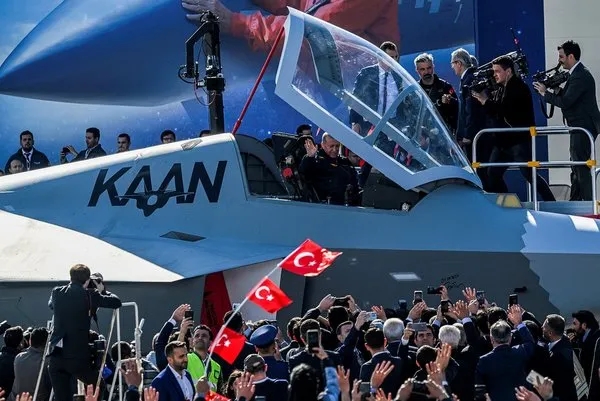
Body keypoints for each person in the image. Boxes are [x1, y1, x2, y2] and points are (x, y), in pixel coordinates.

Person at [472, 56, 555, 201]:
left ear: (508, 71)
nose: (494, 75)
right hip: (503, 141)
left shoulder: (518, 88)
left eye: (497, 71)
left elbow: (504, 111)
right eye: (493, 71)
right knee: (493, 173)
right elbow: (495, 111)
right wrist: (484, 100)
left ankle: (551, 201)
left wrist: (485, 101)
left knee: (529, 174)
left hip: (518, 140)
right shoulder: (501, 88)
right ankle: (508, 204)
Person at [533, 40, 600, 201]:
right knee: (576, 166)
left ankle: (588, 203)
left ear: (571, 56)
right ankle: (576, 201)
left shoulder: (580, 76)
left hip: (583, 126)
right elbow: (571, 98)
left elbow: (566, 102)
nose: (559, 60)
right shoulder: (577, 74)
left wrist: (545, 94)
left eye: (561, 57)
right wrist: (557, 89)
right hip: (580, 127)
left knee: (580, 166)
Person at [47, 264, 122, 401]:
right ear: (87, 280)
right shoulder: (90, 295)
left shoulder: (57, 292)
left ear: (70, 277)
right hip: (77, 357)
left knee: (61, 398)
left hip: (56, 356)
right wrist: (102, 291)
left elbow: (51, 305)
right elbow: (116, 302)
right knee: (98, 387)